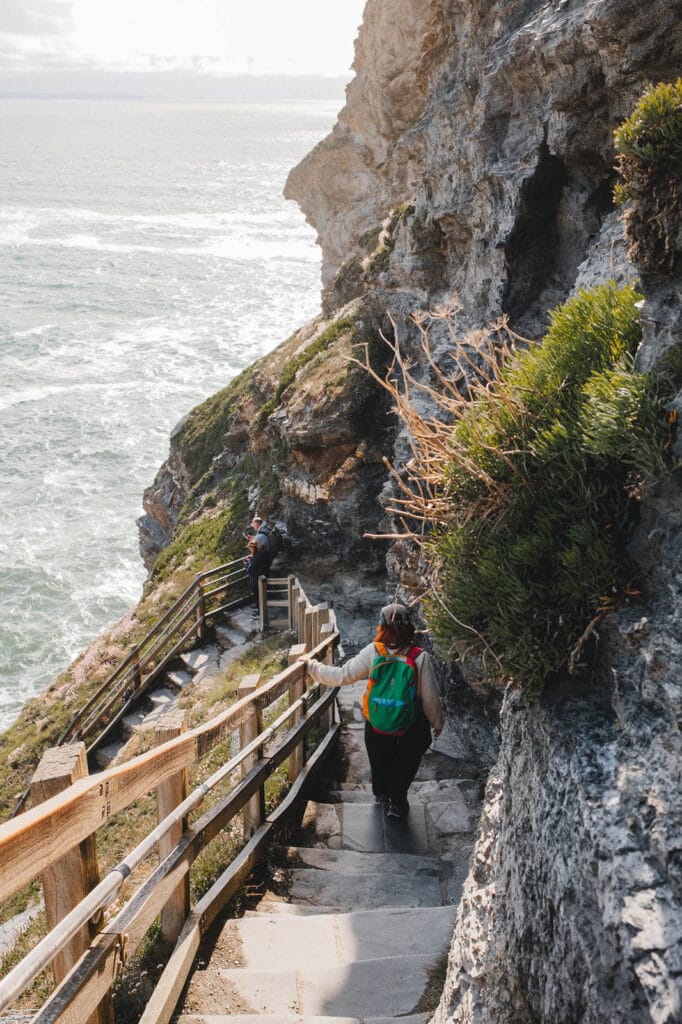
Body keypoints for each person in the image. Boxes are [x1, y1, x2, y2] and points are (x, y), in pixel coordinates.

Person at [301, 603, 443, 819]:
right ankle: (397, 803)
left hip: (378, 721)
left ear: (381, 627)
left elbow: (342, 676)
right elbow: (431, 698)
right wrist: (437, 723)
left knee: (380, 760)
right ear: (410, 629)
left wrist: (312, 667)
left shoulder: (373, 652)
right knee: (406, 761)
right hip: (410, 723)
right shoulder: (419, 657)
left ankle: (381, 794)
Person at [245, 535, 269, 614]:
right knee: (261, 595)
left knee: (258, 596)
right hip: (263, 577)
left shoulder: (255, 558)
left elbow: (250, 570)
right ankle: (259, 608)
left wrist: (247, 563)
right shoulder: (262, 554)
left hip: (256, 580)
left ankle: (260, 611)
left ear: (252, 548)